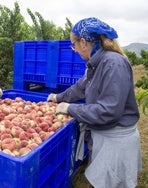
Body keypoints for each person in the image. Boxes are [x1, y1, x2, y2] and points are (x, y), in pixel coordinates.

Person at [47, 17, 142, 187]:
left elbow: (108, 111)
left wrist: (70, 108)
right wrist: (58, 98)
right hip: (105, 136)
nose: (74, 49)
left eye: (73, 45)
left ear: (83, 42)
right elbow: (80, 88)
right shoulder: (97, 63)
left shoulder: (113, 64)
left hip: (116, 142)